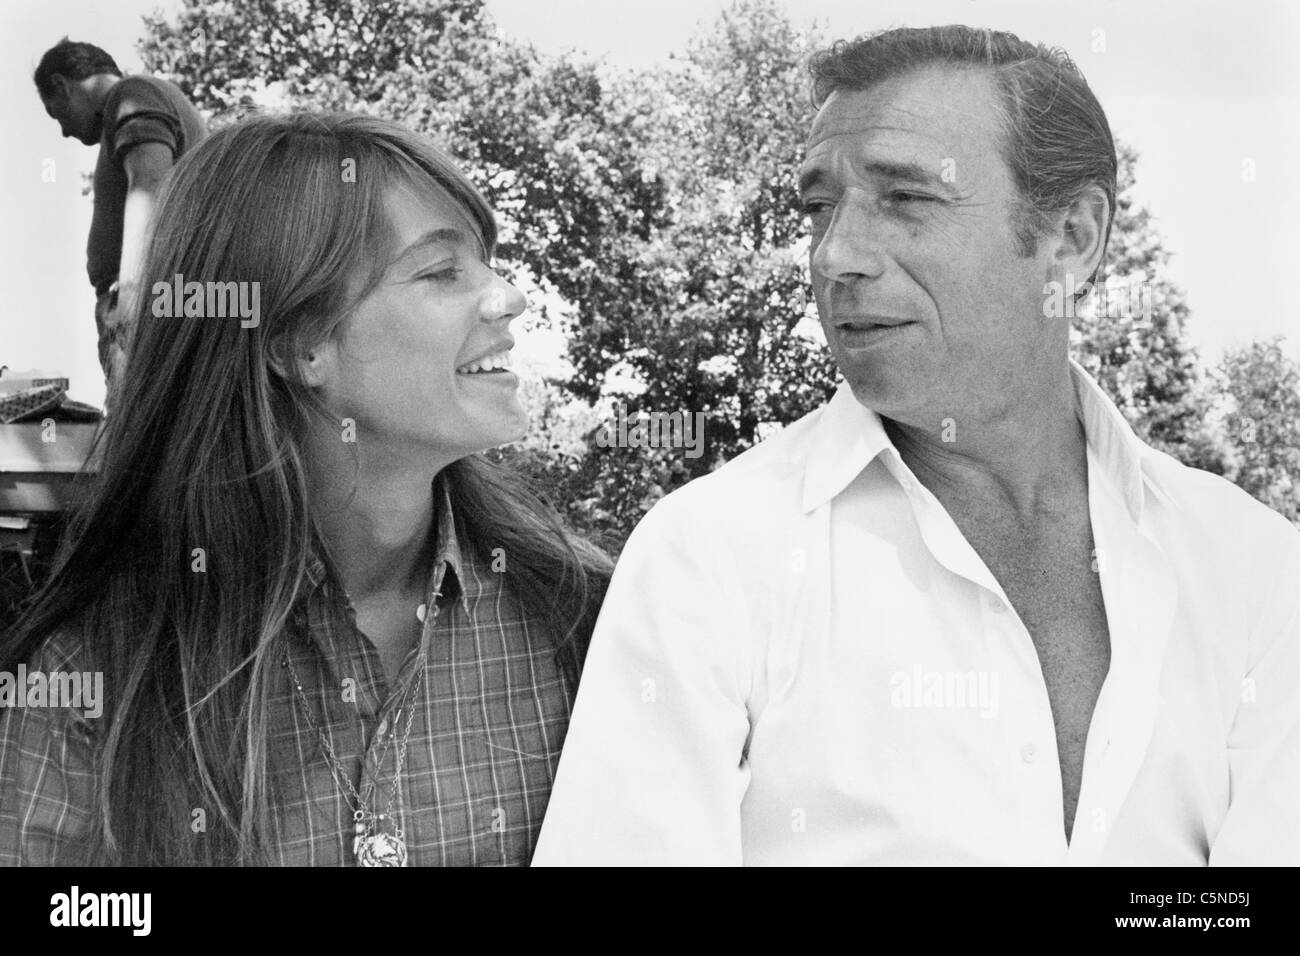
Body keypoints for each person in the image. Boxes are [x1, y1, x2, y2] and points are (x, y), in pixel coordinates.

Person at [533, 25, 1300, 865]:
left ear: (1073, 238)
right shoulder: (707, 559)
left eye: (905, 197)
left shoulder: (1254, 569)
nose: (837, 256)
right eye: (819, 207)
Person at [0, 112, 611, 866]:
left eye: (486, 262)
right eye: (441, 271)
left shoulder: (584, 618)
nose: (507, 297)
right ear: (300, 343)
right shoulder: (92, 680)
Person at [34, 38, 208, 409]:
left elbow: (150, 184)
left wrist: (131, 295)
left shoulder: (132, 94)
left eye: (57, 113)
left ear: (63, 85)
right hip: (169, 296)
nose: (64, 131)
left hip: (152, 298)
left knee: (141, 434)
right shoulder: (140, 99)